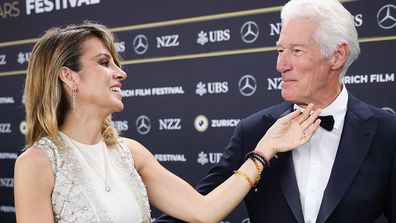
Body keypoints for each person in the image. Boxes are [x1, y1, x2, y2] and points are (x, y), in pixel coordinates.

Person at [13, 21, 322, 223]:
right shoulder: (38, 163)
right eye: (104, 63)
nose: (121, 73)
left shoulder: (130, 153)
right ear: (68, 76)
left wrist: (265, 149)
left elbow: (204, 211)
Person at [155, 0, 396, 222]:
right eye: (281, 50)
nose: (280, 65)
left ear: (337, 56)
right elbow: (195, 210)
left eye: (296, 51)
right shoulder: (252, 131)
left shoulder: (386, 132)